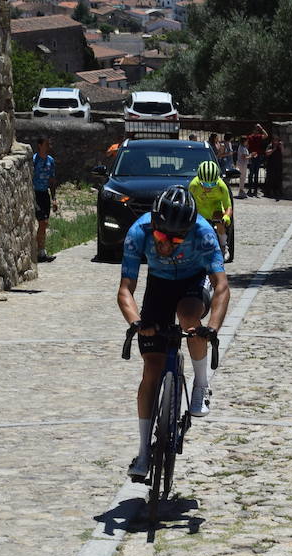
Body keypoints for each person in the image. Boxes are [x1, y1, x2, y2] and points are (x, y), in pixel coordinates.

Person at [117, 186, 230, 479]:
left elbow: (221, 286)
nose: (168, 243)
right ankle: (143, 452)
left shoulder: (204, 234)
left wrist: (213, 329)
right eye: (161, 236)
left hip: (194, 281)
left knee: (189, 318)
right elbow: (125, 290)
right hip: (160, 284)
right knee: (151, 369)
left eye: (177, 238)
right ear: (153, 226)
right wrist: (136, 323)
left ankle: (201, 384)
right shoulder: (139, 231)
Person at [188, 160, 234, 257]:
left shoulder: (221, 186)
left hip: (215, 208)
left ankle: (223, 246)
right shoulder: (193, 186)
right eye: (204, 184)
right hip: (199, 209)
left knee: (220, 222)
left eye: (212, 184)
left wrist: (226, 217)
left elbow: (228, 206)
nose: (208, 188)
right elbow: (189, 204)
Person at [32, 136, 57, 263]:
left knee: (45, 223)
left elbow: (52, 180)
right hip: (35, 194)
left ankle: (41, 251)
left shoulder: (50, 161)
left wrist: (54, 198)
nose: (49, 147)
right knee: (42, 222)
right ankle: (40, 252)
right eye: (46, 144)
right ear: (40, 145)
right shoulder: (34, 160)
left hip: (45, 195)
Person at [246, 123, 267, 196]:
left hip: (258, 156)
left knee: (256, 174)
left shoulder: (259, 136)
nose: (256, 131)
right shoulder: (250, 137)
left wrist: (261, 128)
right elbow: (247, 146)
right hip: (252, 156)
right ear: (253, 130)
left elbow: (266, 135)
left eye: (257, 130)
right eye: (256, 129)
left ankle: (255, 190)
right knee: (251, 174)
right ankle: (249, 189)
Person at [263, 133, 284, 199]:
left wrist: (282, 146)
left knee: (277, 178)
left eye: (277, 140)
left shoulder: (279, 146)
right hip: (271, 165)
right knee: (270, 178)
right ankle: (268, 192)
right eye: (275, 140)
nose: (276, 141)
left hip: (278, 164)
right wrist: (273, 149)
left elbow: (283, 152)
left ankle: (276, 191)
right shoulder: (270, 145)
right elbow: (267, 153)